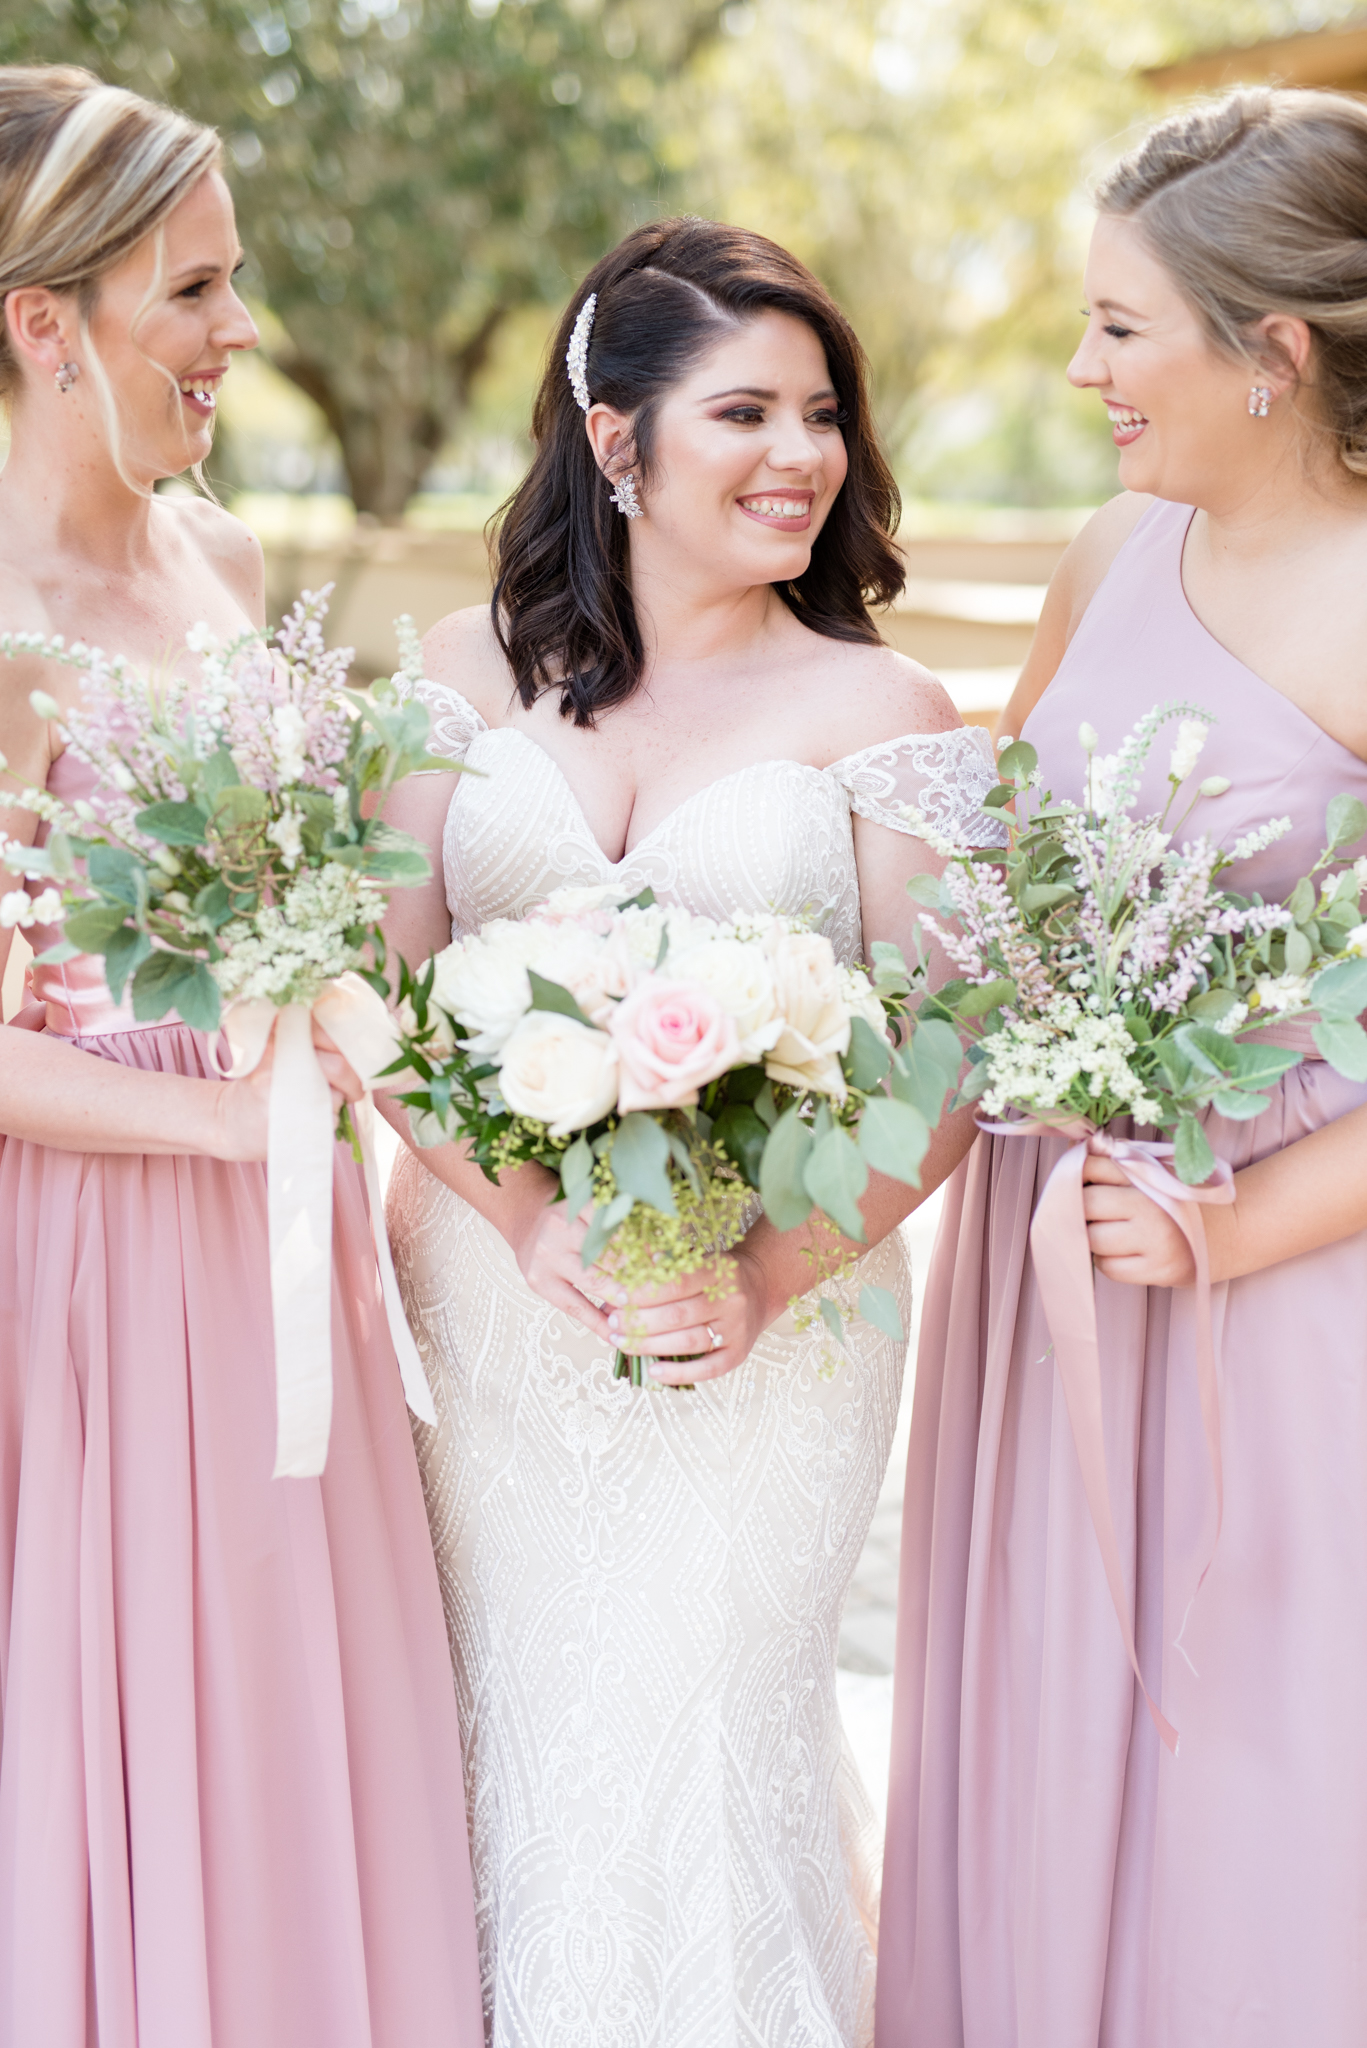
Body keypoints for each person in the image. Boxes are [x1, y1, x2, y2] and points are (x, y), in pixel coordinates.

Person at [377, 217, 1000, 2046]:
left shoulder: (888, 708)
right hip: (501, 1315)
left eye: (823, 414)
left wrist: (770, 1267)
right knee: (519, 1728)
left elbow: (950, 1055)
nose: (801, 455)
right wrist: (518, 1218)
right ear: (617, 437)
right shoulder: (450, 674)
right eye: (746, 411)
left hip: (778, 1325)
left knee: (713, 1729)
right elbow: (388, 997)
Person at [877, 88, 1367, 2048]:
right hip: (1046, 1266)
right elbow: (994, 905)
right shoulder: (1110, 546)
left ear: (1280, 351)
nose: (1083, 368)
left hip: (1281, 1296)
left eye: (1121, 328)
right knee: (1040, 1738)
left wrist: (1228, 1228)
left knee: (1259, 1777)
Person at [0, 69, 480, 2046]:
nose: (238, 331)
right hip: (98, 1265)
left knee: (297, 1690)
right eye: (192, 290)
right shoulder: (5, 625)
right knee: (122, 1701)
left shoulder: (227, 561)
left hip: (289, 1255)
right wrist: (237, 1124)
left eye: (239, 281)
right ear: (45, 320)